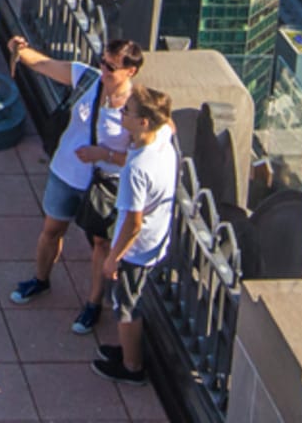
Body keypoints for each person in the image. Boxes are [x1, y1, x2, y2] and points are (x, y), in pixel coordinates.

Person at [2, 33, 146, 332]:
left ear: (130, 71)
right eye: (102, 62)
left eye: (111, 67)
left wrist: (103, 153)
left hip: (103, 184)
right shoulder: (87, 78)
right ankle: (40, 279)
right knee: (51, 229)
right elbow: (44, 64)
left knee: (100, 244)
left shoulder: (135, 108)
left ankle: (93, 303)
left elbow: (138, 157)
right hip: (65, 171)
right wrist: (20, 49)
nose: (103, 70)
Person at [92, 87, 184, 385]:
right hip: (155, 238)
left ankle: (132, 366)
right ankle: (127, 352)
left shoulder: (137, 168)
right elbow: (170, 124)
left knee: (126, 305)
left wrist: (114, 259)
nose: (122, 114)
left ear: (144, 122)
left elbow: (133, 223)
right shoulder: (163, 141)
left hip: (136, 250)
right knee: (128, 301)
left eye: (128, 112)